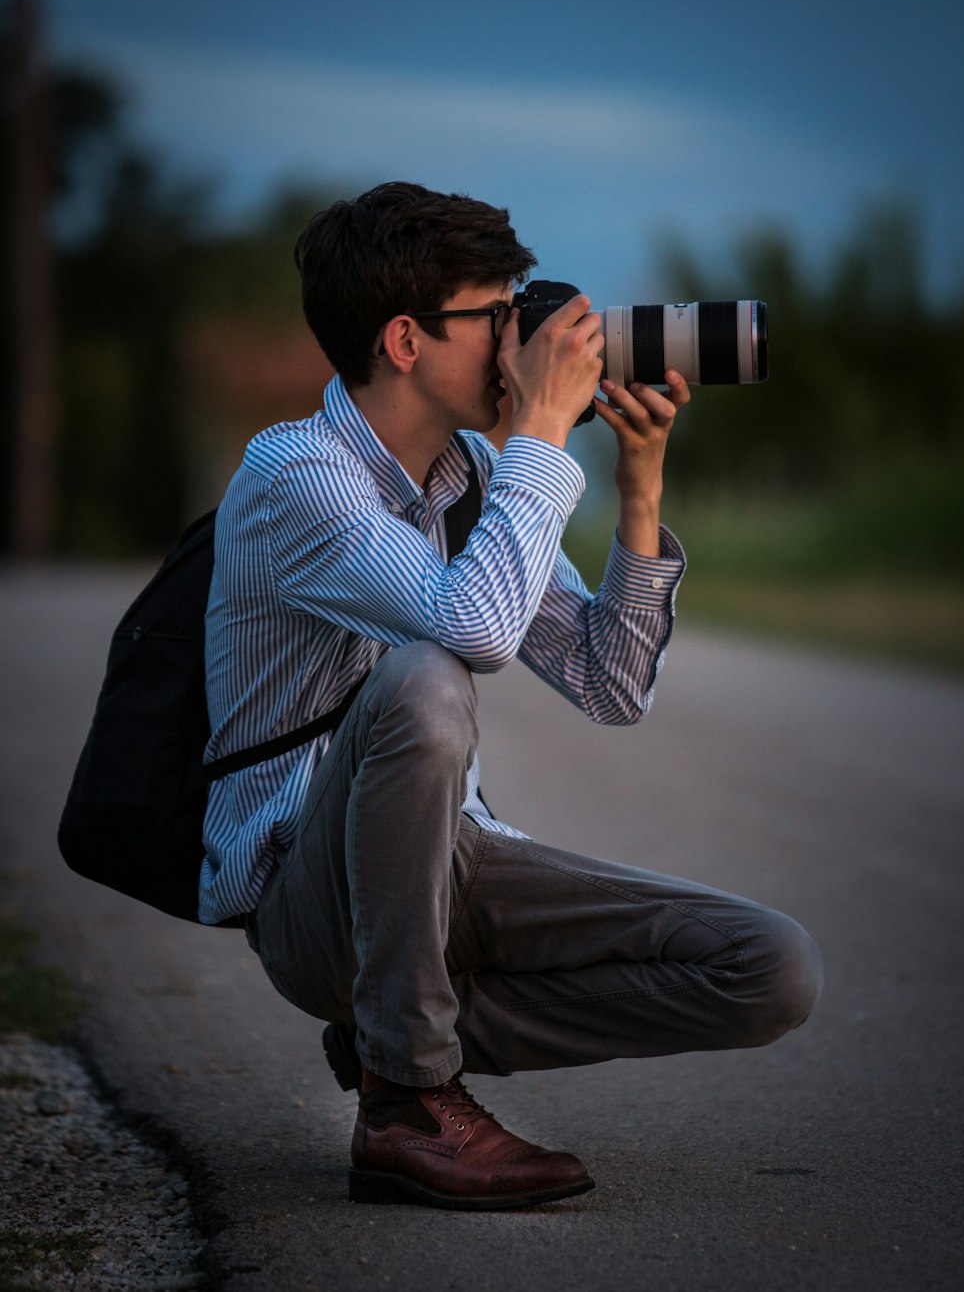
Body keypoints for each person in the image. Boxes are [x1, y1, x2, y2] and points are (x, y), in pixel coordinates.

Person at [202, 181, 823, 1211]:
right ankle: (407, 1102)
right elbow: (473, 632)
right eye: (498, 318)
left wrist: (638, 489)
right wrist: (538, 432)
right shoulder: (294, 476)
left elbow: (609, 683)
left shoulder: (470, 479)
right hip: (313, 896)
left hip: (455, 860)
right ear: (405, 340)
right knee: (421, 679)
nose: (525, 342)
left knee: (769, 968)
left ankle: (398, 1032)